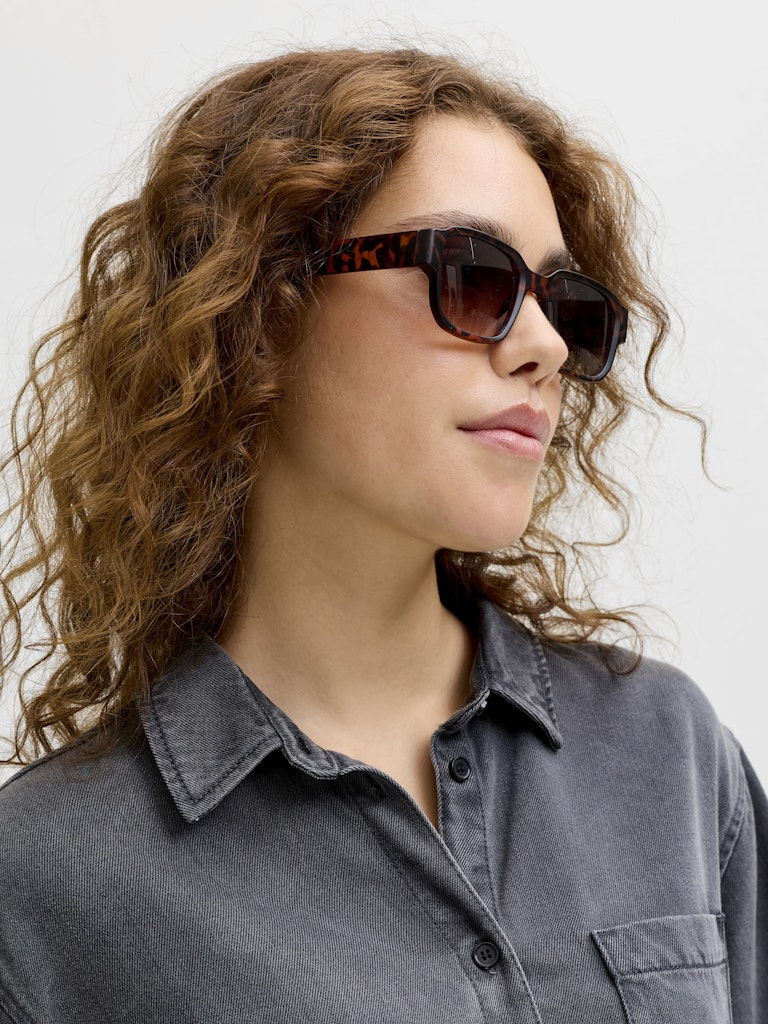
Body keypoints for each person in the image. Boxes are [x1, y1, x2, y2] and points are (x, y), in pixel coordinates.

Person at [0, 46, 764, 1024]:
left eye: (566, 307)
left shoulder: (667, 752)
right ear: (260, 308)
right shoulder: (47, 881)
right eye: (473, 277)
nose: (544, 347)